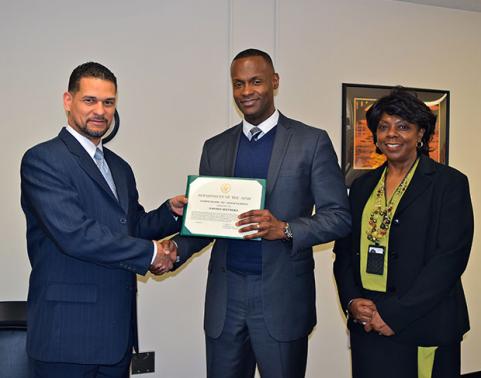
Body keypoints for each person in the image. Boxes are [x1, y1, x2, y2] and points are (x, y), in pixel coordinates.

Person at [162, 48, 351, 377]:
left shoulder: (311, 142)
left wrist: (284, 229)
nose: (246, 91)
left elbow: (339, 217)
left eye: (256, 81)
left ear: (274, 82)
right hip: (226, 298)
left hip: (282, 297)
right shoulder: (215, 147)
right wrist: (175, 248)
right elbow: (208, 223)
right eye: (238, 84)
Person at [20, 62, 186, 377]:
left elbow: (131, 226)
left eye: (108, 102)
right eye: (90, 100)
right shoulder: (43, 160)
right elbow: (75, 234)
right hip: (65, 340)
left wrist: (169, 213)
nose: (100, 110)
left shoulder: (119, 167)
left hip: (116, 339)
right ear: (68, 101)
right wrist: (151, 253)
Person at [333, 88, 474, 378]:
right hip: (369, 322)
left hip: (423, 323)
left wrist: (394, 314)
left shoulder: (449, 184)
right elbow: (344, 250)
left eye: (403, 126)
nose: (391, 134)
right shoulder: (362, 187)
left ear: (421, 133)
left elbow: (449, 260)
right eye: (383, 127)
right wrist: (351, 301)